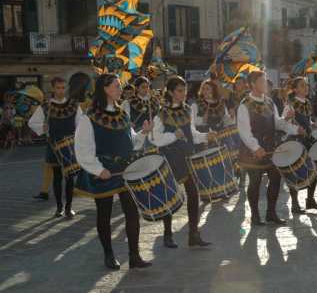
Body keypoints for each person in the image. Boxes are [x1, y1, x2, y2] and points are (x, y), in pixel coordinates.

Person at [75, 73, 152, 270]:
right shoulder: (88, 117)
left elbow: (131, 142)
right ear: (106, 89)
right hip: (105, 172)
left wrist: (143, 132)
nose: (121, 89)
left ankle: (134, 256)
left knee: (132, 212)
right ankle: (108, 254)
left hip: (125, 171)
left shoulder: (123, 113)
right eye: (117, 86)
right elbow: (83, 149)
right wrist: (98, 170)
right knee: (104, 213)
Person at [150, 76, 215, 248]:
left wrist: (204, 136)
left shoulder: (187, 110)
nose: (184, 93)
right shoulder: (161, 113)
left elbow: (191, 133)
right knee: (170, 196)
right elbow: (155, 139)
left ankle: (194, 234)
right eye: (179, 90)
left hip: (186, 156)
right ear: (170, 92)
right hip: (170, 158)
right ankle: (167, 234)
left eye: (185, 90)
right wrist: (173, 136)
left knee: (193, 194)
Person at [237, 70, 304, 226]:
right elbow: (244, 131)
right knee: (255, 182)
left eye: (265, 81)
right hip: (252, 151)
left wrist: (293, 127)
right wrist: (255, 147)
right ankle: (255, 216)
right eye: (262, 81)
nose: (265, 84)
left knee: (275, 178)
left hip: (270, 147)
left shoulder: (269, 102)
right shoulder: (244, 105)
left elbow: (277, 123)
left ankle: (271, 213)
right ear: (253, 84)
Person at [28, 77, 82, 218]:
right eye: (58, 87)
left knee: (70, 177)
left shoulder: (74, 105)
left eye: (63, 87)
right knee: (57, 177)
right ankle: (59, 208)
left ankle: (69, 207)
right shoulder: (46, 106)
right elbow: (32, 122)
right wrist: (43, 128)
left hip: (70, 145)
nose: (61, 90)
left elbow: (81, 124)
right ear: (53, 88)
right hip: (53, 145)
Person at [282, 77, 317, 214]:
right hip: (295, 140)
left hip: (308, 139)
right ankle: (295, 204)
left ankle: (310, 200)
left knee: (315, 167)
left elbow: (308, 120)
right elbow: (284, 124)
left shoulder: (307, 102)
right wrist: (295, 129)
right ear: (295, 89)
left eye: (306, 85)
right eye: (302, 85)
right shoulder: (290, 104)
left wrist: (312, 125)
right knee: (294, 171)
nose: (306, 87)